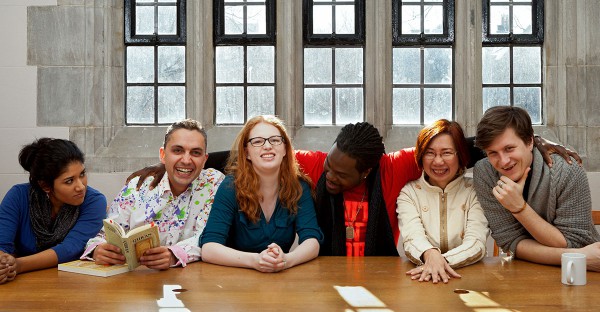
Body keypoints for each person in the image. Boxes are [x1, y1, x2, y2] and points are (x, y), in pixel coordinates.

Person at [128, 122, 579, 257]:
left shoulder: (392, 167)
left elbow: (455, 148)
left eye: (342, 177)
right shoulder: (318, 165)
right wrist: (183, 162)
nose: (331, 180)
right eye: (332, 169)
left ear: (366, 171)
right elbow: (251, 150)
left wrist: (535, 144)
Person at [82, 119, 224, 269]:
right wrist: (97, 249)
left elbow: (210, 238)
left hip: (192, 279)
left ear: (204, 159)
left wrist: (174, 254)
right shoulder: (137, 187)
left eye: (195, 153)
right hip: (136, 280)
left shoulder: (214, 184)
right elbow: (105, 233)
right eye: (178, 150)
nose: (186, 160)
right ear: (163, 155)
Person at [473, 106, 600, 271]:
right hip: (524, 272)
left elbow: (574, 243)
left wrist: (519, 208)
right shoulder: (485, 172)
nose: (503, 161)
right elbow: (509, 241)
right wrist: (576, 257)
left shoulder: (567, 170)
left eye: (509, 148)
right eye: (492, 153)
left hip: (583, 272)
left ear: (530, 141)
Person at [200, 115, 323, 272]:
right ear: (247, 153)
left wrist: (287, 260)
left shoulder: (299, 187)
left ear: (285, 148)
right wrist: (255, 261)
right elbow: (209, 248)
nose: (267, 146)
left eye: (275, 140)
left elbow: (312, 240)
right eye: (257, 141)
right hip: (234, 280)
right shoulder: (230, 187)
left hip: (280, 279)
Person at [0, 138, 106, 284]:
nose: (81, 186)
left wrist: (18, 265)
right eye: (69, 181)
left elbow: (71, 248)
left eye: (82, 174)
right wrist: (4, 264)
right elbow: (2, 244)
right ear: (45, 186)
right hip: (21, 285)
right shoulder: (18, 196)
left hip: (72, 283)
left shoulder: (94, 202)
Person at [397, 120, 488, 284]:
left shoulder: (475, 189)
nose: (438, 162)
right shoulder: (409, 193)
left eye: (446, 153)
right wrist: (430, 254)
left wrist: (438, 263)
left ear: (460, 156)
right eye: (430, 153)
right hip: (421, 280)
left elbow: (476, 243)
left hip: (468, 277)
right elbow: (412, 239)